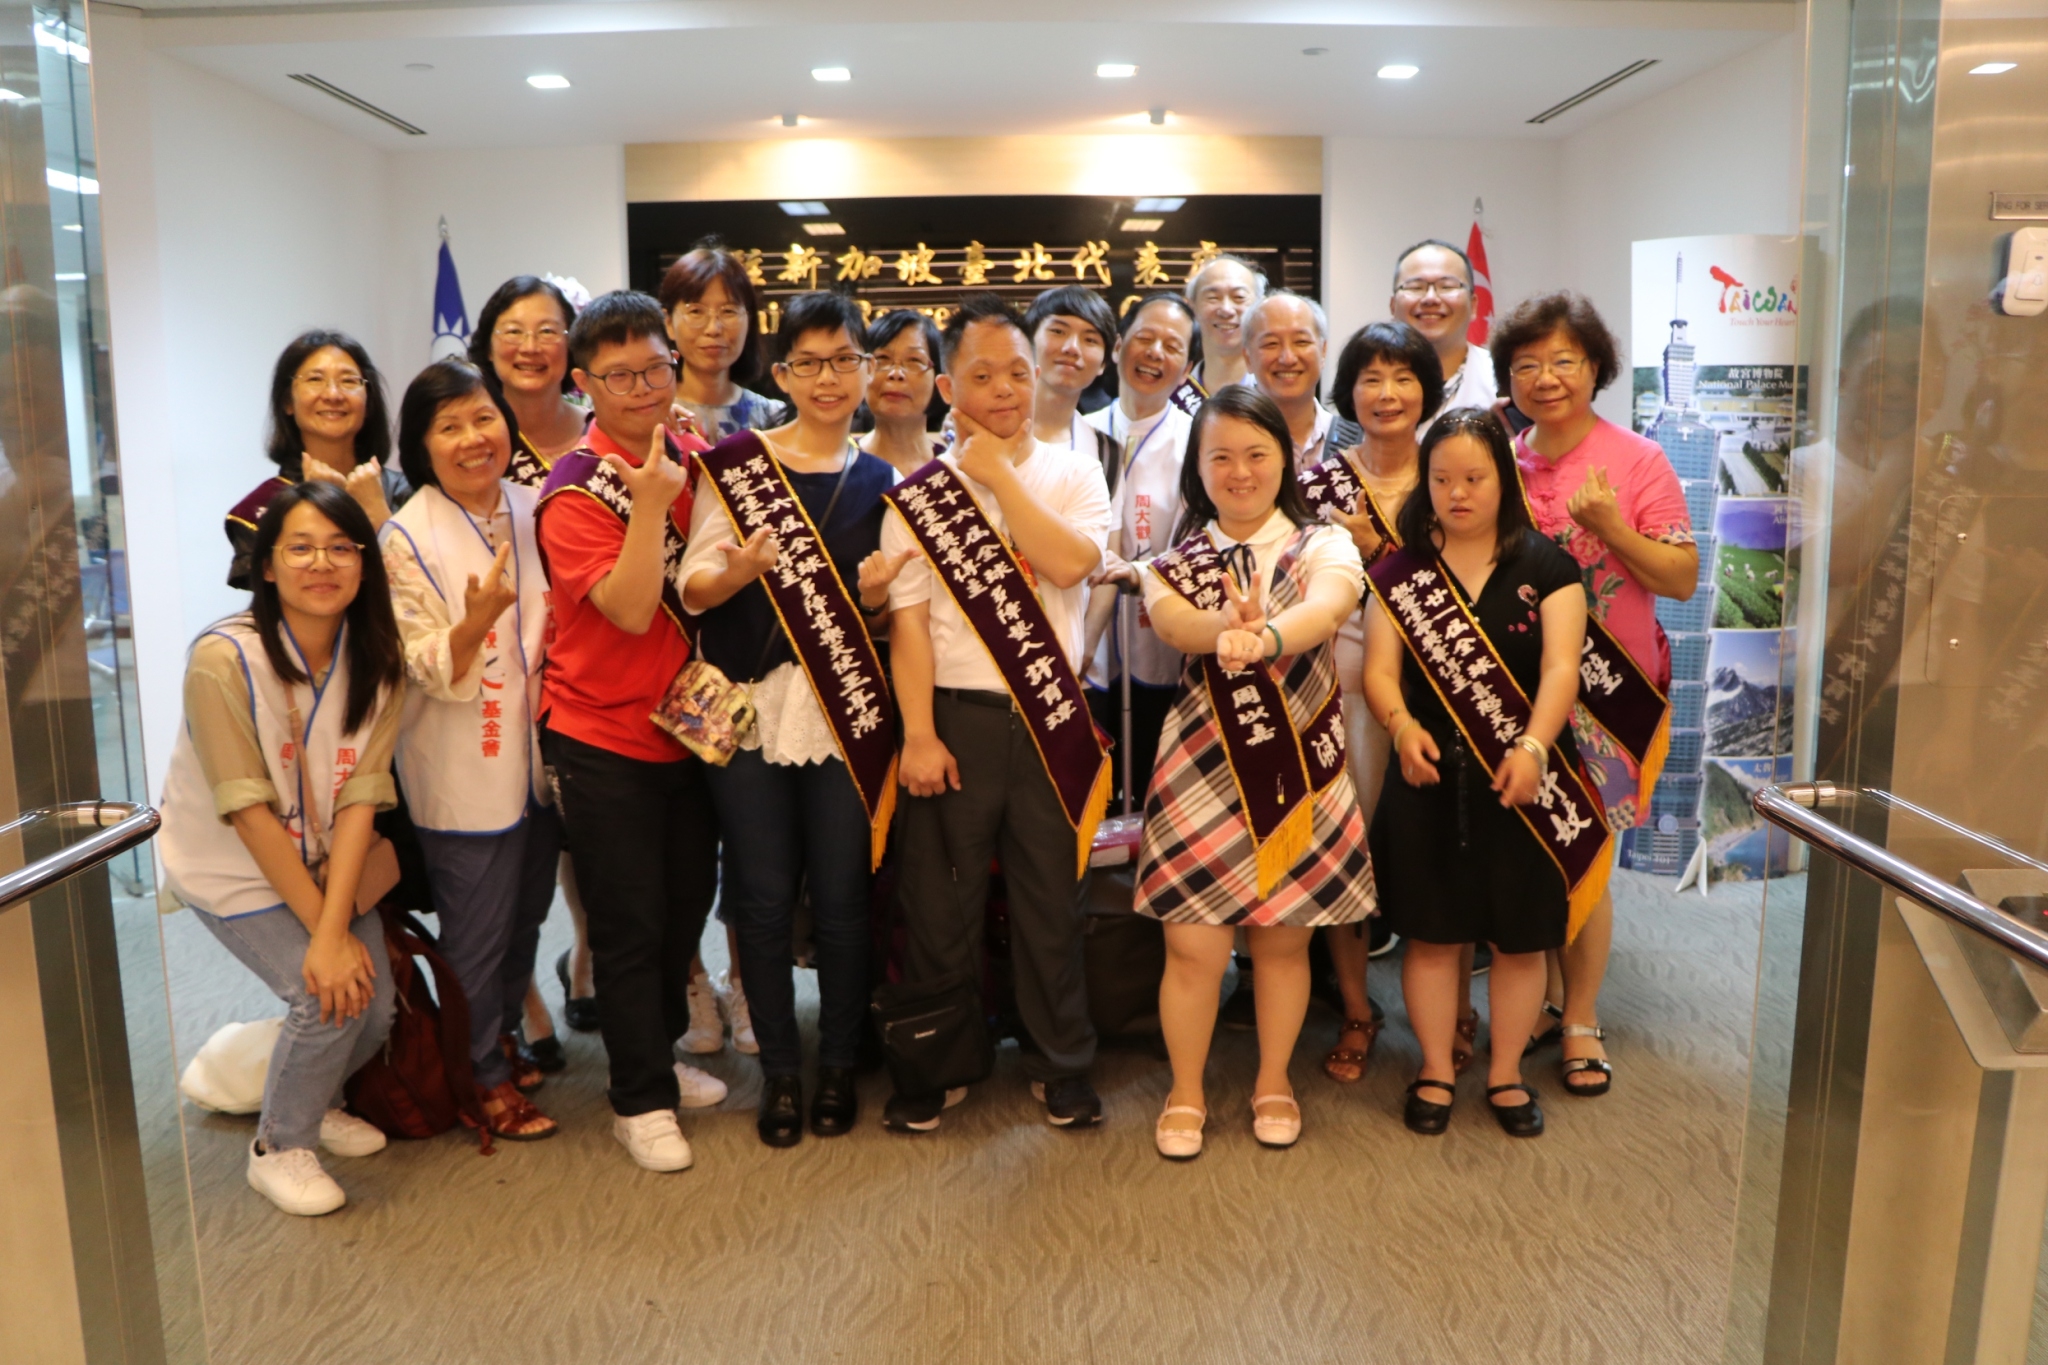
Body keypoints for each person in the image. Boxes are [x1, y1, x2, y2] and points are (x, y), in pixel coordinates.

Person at [879, 293, 1113, 1134]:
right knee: (940, 903)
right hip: (955, 719)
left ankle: (1062, 1064)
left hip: (1051, 717)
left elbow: (1070, 562)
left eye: (1018, 371)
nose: (1006, 389)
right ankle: (938, 1064)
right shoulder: (916, 495)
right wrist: (917, 734)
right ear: (948, 387)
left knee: (1053, 900)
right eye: (983, 376)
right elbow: (909, 626)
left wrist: (1002, 476)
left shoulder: (1074, 471)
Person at [679, 293, 898, 1148]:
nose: (829, 378)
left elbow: (885, 621)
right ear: (781, 374)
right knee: (763, 899)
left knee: (842, 898)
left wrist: (873, 604)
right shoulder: (737, 465)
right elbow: (694, 589)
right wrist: (739, 571)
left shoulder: (881, 480)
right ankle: (779, 1070)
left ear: (867, 370)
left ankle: (836, 1061)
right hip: (748, 715)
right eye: (809, 362)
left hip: (842, 713)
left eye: (845, 360)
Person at [1136, 385, 1372, 1160]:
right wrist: (1222, 629)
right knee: (1193, 951)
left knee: (1281, 946)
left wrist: (1265, 637)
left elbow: (1327, 609)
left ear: (1286, 459)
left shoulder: (1325, 543)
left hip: (1297, 774)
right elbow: (1176, 623)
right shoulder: (1174, 563)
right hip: (1199, 772)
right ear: (1198, 468)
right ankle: (1186, 1090)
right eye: (1221, 457)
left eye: (1256, 454)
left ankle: (1274, 1079)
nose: (1240, 472)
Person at [158, 482, 404, 1215]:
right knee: (324, 997)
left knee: (375, 1007)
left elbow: (361, 801)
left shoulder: (377, 658)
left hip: (324, 860)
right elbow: (249, 813)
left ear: (364, 563)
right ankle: (280, 1146)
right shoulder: (223, 658)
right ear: (266, 566)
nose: (321, 564)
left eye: (340, 548)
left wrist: (333, 924)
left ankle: (314, 1095)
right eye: (300, 548)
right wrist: (326, 938)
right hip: (233, 865)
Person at [1364, 407, 1596, 1140]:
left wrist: (1533, 748)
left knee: (1519, 939)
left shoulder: (1548, 566)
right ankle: (1436, 1067)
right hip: (1428, 778)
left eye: (1474, 478)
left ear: (1505, 479)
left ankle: (1505, 1073)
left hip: (1523, 779)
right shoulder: (1400, 571)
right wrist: (1401, 726)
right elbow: (1379, 672)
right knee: (1432, 936)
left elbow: (1561, 670)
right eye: (1441, 479)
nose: (1456, 493)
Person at [533, 290, 726, 1173]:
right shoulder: (573, 489)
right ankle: (638, 1099)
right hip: (601, 734)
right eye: (620, 376)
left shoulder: (691, 452)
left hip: (690, 729)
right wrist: (650, 503)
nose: (644, 389)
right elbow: (631, 605)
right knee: (627, 920)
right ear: (583, 383)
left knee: (685, 907)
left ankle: (659, 1052)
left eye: (656, 369)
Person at [1492, 292, 1697, 1098]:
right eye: (1527, 364)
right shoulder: (1502, 457)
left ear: (1596, 368)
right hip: (1519, 688)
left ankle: (1580, 1015)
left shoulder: (1637, 459)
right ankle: (1546, 997)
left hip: (1606, 695)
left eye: (1563, 361)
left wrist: (1611, 525)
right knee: (1531, 851)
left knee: (1585, 856)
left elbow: (1680, 578)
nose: (1545, 378)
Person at [381, 359, 559, 1141]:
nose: (472, 438)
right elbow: (416, 660)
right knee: (477, 935)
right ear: (422, 446)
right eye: (448, 426)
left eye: (483, 417)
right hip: (460, 762)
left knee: (526, 918)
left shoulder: (533, 504)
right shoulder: (405, 536)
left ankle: (498, 1037)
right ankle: (478, 1075)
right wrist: (474, 624)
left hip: (541, 760)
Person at [1304, 321, 1444, 1084]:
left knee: (1437, 848)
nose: (1387, 394)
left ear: (1428, 388)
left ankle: (1451, 1010)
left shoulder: (1455, 471)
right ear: (1348, 391)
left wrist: (1377, 551)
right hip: (1346, 692)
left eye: (1404, 376)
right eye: (1371, 378)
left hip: (1444, 691)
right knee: (1347, 847)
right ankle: (1358, 1007)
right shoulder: (1319, 484)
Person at [469, 273, 590, 1068]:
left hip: (591, 659)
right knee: (514, 838)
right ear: (487, 346)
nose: (531, 347)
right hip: (498, 663)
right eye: (513, 331)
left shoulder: (603, 430)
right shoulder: (472, 436)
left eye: (548, 330)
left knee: (587, 837)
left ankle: (584, 958)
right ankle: (526, 1001)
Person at [1082, 292, 1197, 805]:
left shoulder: (1198, 441)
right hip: (1085, 642)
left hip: (1162, 638)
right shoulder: (1081, 432)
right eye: (1144, 338)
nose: (1154, 353)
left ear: (1188, 368)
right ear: (1117, 346)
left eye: (1172, 346)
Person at [226, 331, 407, 590]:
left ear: (368, 401)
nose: (333, 394)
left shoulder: (409, 493)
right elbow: (272, 605)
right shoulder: (259, 510)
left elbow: (429, 591)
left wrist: (379, 517)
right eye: (315, 379)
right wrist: (324, 505)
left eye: (348, 381)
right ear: (287, 401)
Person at [658, 244, 786, 440]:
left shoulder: (772, 417)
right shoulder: (650, 414)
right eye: (696, 311)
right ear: (668, 323)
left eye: (728, 311)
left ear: (749, 320)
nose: (713, 329)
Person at [1244, 292, 1361, 474]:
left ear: (1323, 351)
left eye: (1301, 342)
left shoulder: (1361, 442)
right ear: (1247, 358)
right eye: (1271, 344)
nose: (1288, 358)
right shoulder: (1226, 442)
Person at [1389, 240, 1498, 430]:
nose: (1430, 298)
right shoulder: (1368, 381)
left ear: (1473, 305)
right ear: (1392, 306)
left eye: (1447, 286)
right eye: (1415, 287)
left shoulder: (1500, 379)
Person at [1024, 285, 1118, 459]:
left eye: (1090, 340)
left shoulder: (1107, 454)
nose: (1072, 348)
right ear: (1028, 341)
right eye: (1058, 331)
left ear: (1103, 364)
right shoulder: (982, 429)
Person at [859, 309, 947, 478]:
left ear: (939, 378)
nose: (896, 373)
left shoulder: (955, 470)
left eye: (914, 360)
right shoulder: (841, 467)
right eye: (882, 359)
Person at [1176, 254, 1266, 407]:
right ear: (1192, 307)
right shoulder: (1172, 397)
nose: (1226, 310)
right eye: (1213, 298)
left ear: (1260, 307)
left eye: (1239, 297)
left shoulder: (1273, 391)